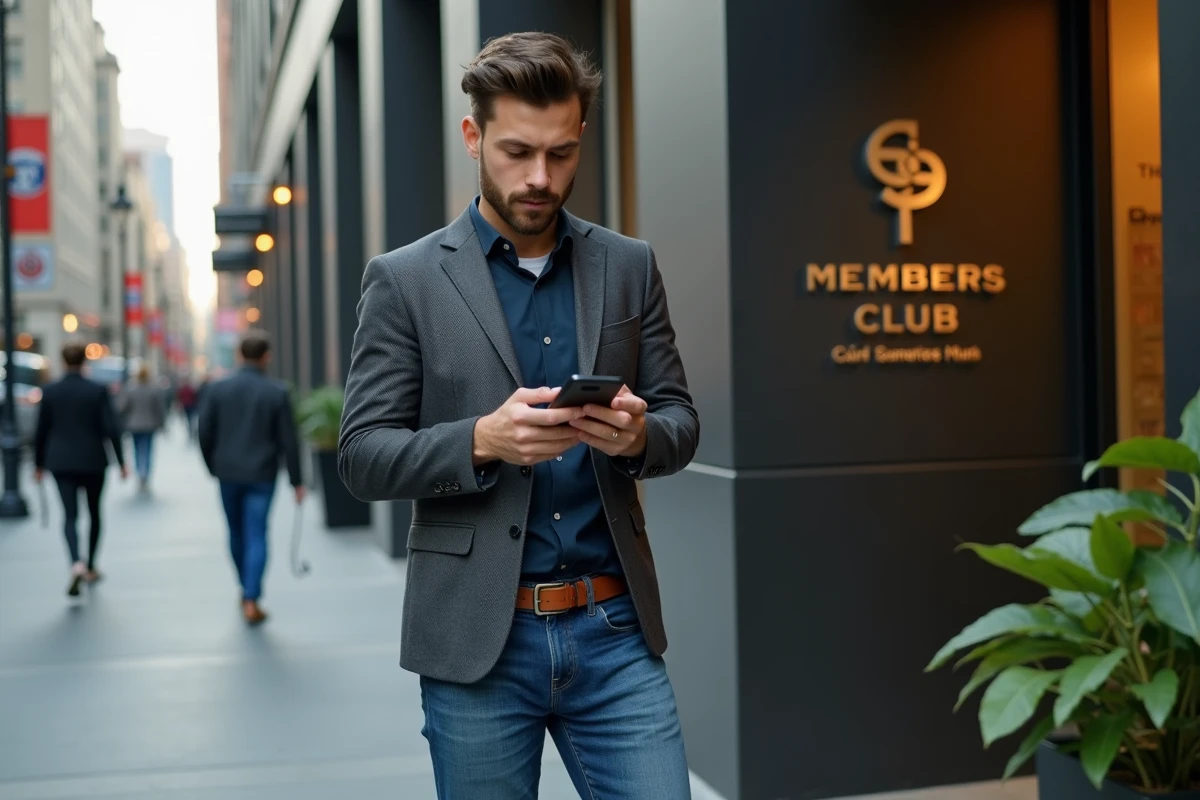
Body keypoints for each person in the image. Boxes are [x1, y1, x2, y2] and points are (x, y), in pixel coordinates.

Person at [338, 32, 699, 799]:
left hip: (615, 632)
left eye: (561, 153)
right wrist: (481, 440)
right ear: (473, 137)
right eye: (517, 152)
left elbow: (679, 420)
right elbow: (363, 456)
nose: (540, 177)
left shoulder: (628, 265)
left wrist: (638, 437)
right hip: (478, 645)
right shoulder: (404, 281)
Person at [198, 330, 305, 625]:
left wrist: (212, 466)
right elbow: (289, 440)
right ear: (266, 356)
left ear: (239, 355)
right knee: (257, 533)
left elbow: (204, 431)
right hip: (262, 474)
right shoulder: (277, 392)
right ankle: (251, 596)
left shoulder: (218, 389)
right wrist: (297, 481)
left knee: (235, 532)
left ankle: (245, 588)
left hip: (228, 473)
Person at [34, 342, 128, 596]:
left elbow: (41, 431)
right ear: (85, 361)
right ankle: (91, 564)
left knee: (69, 515)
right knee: (94, 513)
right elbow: (111, 428)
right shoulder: (97, 390)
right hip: (93, 460)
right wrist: (121, 462)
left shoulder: (50, 391)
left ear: (63, 361)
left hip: (61, 461)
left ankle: (76, 562)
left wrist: (38, 464)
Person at [117, 364, 167, 491]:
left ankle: (140, 472)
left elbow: (121, 407)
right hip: (150, 425)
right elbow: (159, 409)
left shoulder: (130, 389)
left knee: (137, 450)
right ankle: (145, 474)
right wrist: (162, 424)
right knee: (148, 450)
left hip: (134, 425)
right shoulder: (153, 390)